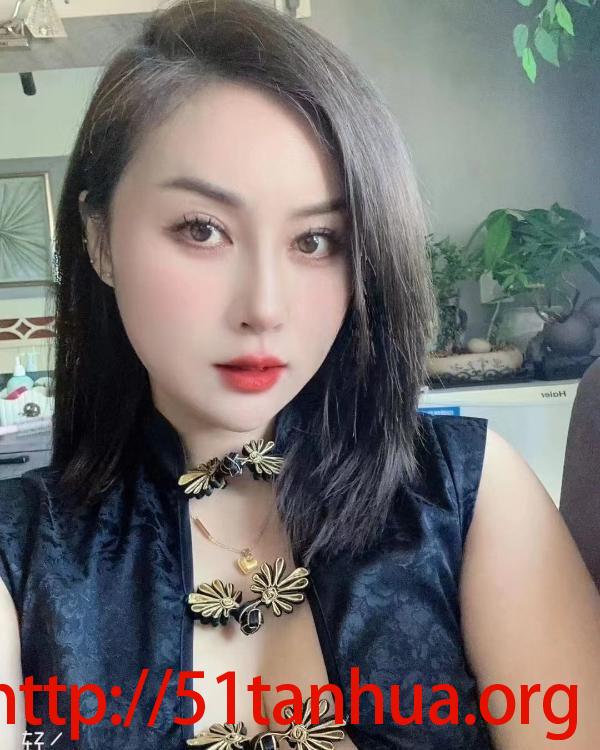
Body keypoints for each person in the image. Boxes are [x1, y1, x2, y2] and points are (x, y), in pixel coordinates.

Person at [1, 1, 599, 748]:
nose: (265, 307)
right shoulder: (22, 554)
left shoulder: (469, 497)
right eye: (201, 229)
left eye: (316, 240)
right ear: (99, 239)